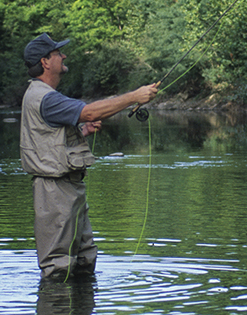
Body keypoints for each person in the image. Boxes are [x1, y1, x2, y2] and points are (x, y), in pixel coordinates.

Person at [20, 33, 158, 279]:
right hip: (55, 191)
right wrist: (134, 97)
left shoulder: (41, 95)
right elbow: (90, 111)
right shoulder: (46, 97)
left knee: (84, 259)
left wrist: (81, 132)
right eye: (58, 53)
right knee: (59, 268)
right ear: (45, 62)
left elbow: (51, 135)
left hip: (67, 188)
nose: (64, 56)